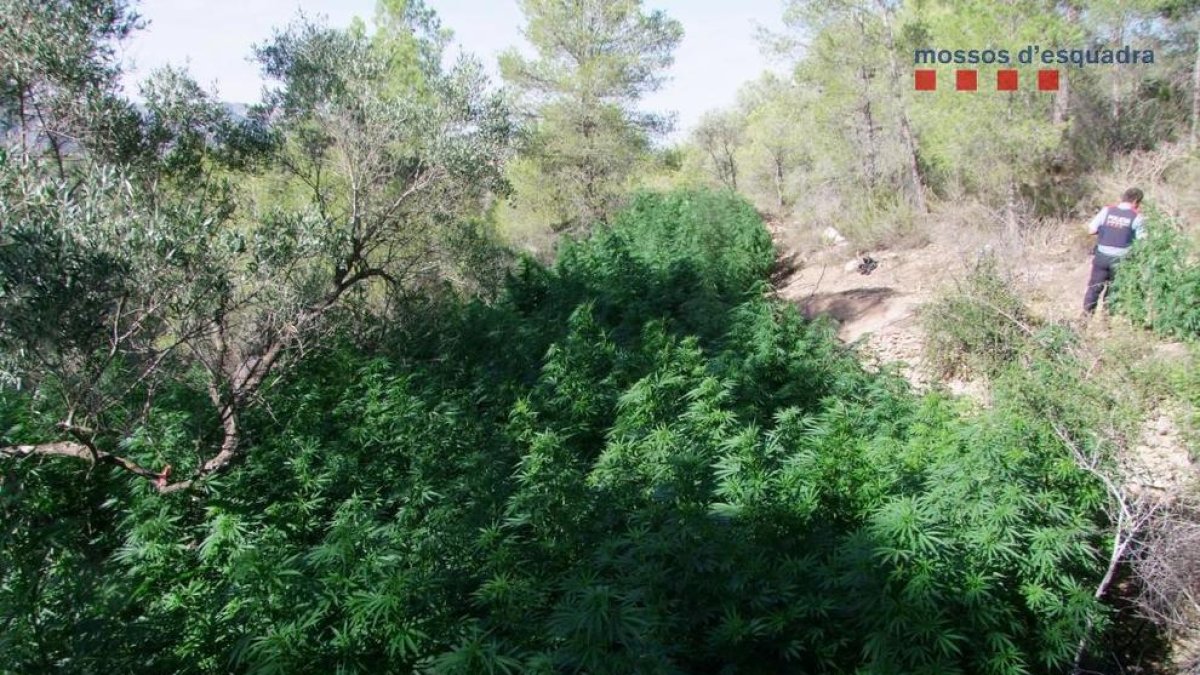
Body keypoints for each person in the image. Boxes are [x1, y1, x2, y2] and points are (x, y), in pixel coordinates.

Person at [1083, 187, 1145, 314]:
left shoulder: (1107, 210)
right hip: (1121, 260)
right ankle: (1107, 320)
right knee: (1114, 290)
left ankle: (1086, 316)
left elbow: (1091, 230)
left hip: (1101, 257)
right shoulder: (1137, 217)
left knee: (1094, 287)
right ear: (1135, 201)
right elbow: (1142, 241)